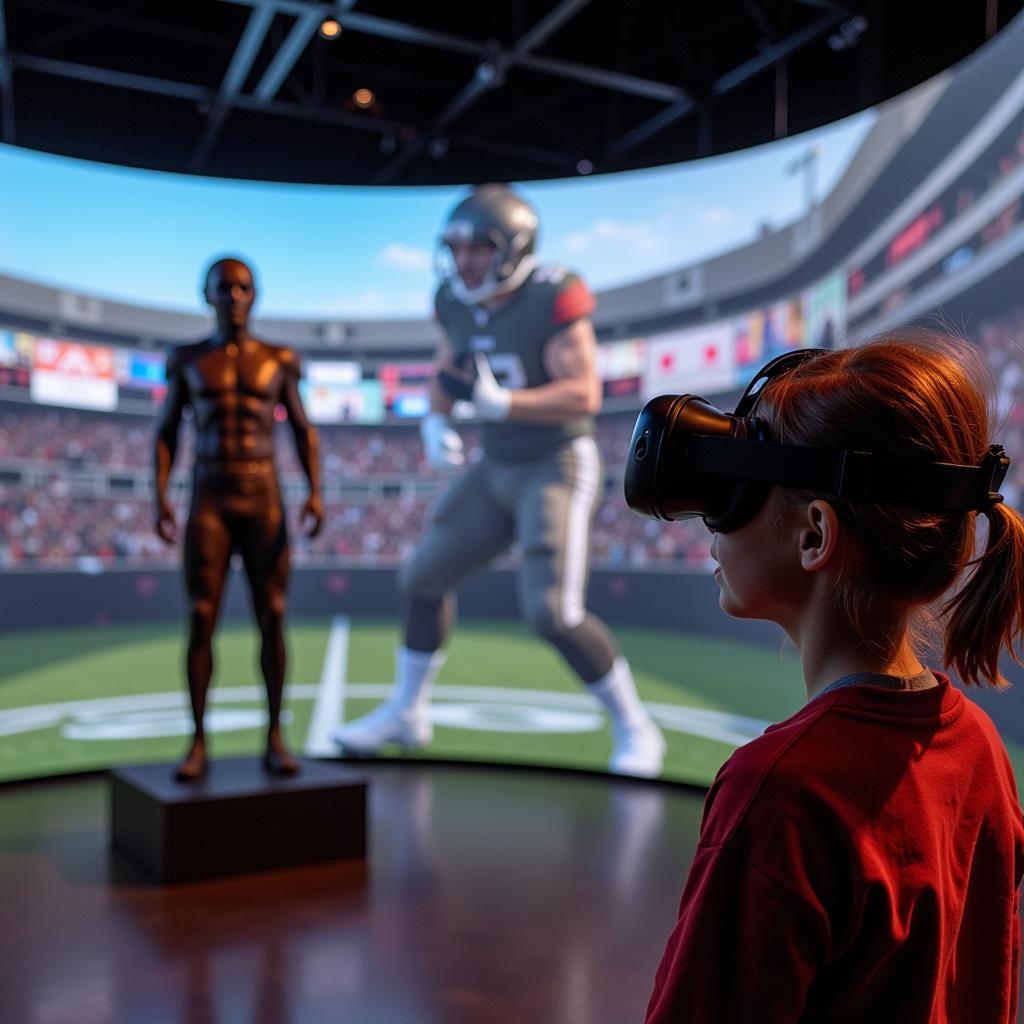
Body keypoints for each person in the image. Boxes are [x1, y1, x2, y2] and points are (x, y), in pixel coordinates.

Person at [644, 334, 1024, 1022]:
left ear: (815, 536)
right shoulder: (979, 751)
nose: (711, 528)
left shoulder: (780, 794)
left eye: (738, 495)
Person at [333, 183, 665, 776]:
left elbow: (582, 393)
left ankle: (636, 727)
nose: (463, 262)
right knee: (422, 577)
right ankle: (408, 713)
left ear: (514, 248)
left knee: (553, 613)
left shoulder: (553, 293)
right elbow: (449, 365)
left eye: (478, 248)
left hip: (555, 461)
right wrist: (435, 417)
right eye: (455, 248)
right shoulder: (453, 301)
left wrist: (504, 404)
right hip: (496, 464)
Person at [154, 257, 322, 780]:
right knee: (201, 617)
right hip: (209, 491)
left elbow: (302, 429)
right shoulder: (188, 359)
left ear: (256, 294)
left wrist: (316, 492)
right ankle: (198, 741)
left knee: (272, 614)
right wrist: (157, 494)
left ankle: (275, 735)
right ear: (207, 294)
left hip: (263, 491)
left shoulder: (279, 359)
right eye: (224, 288)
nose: (234, 296)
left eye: (243, 287)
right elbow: (167, 430)